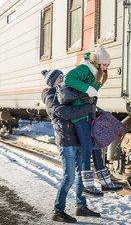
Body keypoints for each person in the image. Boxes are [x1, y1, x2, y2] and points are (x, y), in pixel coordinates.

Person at [41, 69, 101, 223]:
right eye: (60, 77)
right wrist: (86, 109)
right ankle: (58, 210)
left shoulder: (66, 90)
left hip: (78, 139)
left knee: (82, 174)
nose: (63, 79)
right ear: (53, 81)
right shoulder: (49, 95)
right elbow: (63, 112)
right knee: (69, 177)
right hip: (66, 141)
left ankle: (81, 206)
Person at [63, 44, 123, 196]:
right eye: (103, 64)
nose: (105, 68)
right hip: (78, 114)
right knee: (88, 146)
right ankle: (87, 185)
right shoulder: (85, 68)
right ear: (96, 62)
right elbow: (68, 78)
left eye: (107, 65)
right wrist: (87, 89)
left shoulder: (96, 72)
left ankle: (105, 182)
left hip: (88, 113)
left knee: (96, 147)